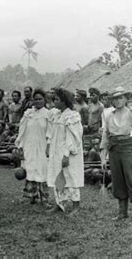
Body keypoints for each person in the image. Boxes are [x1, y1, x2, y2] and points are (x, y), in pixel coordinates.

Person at [100, 86, 132, 223]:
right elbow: (105, 137)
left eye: (120, 97)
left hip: (129, 148)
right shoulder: (109, 115)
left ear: (126, 98)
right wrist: (103, 157)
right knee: (118, 181)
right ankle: (122, 213)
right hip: (114, 149)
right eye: (115, 98)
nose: (118, 100)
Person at [46, 88, 84, 216]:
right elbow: (52, 133)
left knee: (71, 177)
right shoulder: (57, 114)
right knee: (58, 176)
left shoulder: (72, 115)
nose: (54, 102)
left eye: (56, 99)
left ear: (64, 101)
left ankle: (76, 206)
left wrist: (66, 155)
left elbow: (73, 137)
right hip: (57, 150)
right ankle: (59, 203)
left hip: (68, 152)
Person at [15, 89, 50, 205]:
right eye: (36, 99)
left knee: (42, 169)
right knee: (30, 168)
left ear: (44, 100)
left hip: (42, 146)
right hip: (29, 145)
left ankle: (44, 197)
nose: (38, 101)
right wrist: (20, 145)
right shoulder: (28, 114)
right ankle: (31, 196)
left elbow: (50, 133)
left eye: (40, 99)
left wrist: (48, 147)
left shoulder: (48, 114)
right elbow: (22, 131)